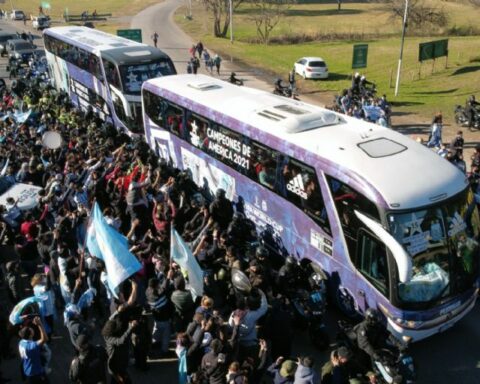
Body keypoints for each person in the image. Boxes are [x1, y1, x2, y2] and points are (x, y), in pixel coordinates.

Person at [18, 316, 50, 383]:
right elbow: (45, 339)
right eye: (30, 330)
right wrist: (40, 324)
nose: (31, 329)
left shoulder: (21, 342)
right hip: (36, 373)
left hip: (27, 370)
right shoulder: (31, 346)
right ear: (30, 335)